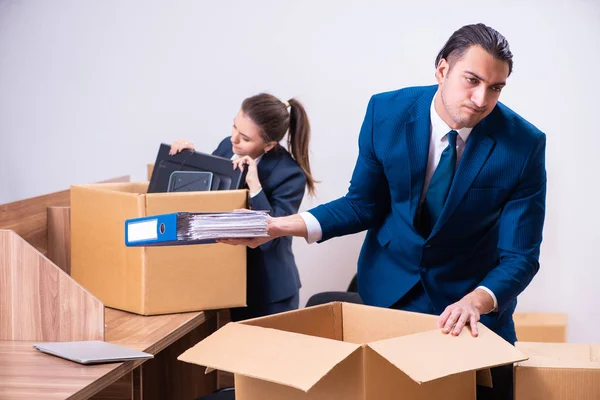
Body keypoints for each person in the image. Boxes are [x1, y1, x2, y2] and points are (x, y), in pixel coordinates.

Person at [220, 23, 546, 400]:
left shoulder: (524, 145)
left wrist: (478, 299)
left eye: (495, 88)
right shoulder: (386, 112)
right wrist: (277, 226)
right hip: (388, 293)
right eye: (471, 80)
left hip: (468, 307)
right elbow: (363, 204)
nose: (481, 99)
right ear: (442, 70)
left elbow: (520, 258)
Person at [170, 93, 316, 322]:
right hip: (229, 283)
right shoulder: (227, 147)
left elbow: (273, 237)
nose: (234, 139)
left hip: (269, 291)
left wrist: (254, 185)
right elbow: (208, 198)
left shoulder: (290, 174)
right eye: (234, 127)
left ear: (269, 145)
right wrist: (187, 159)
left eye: (245, 138)